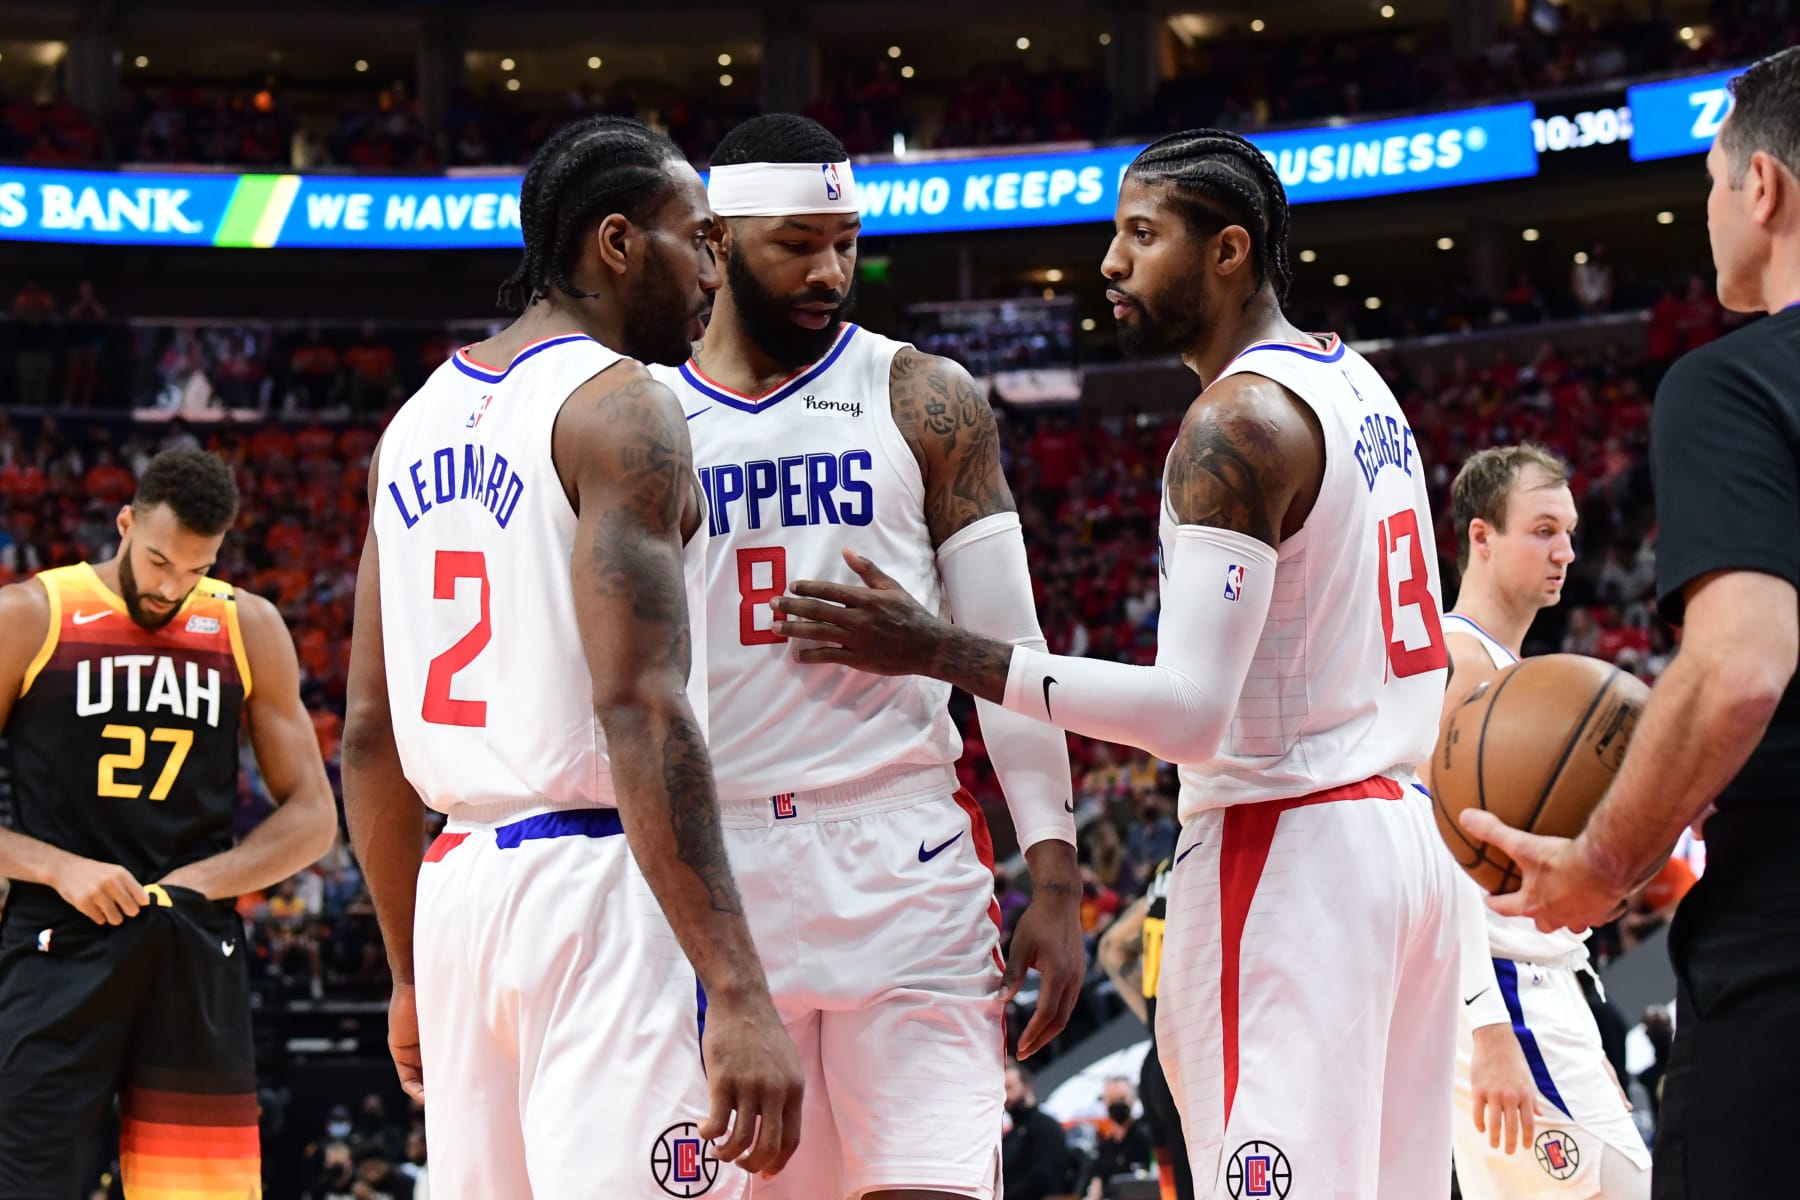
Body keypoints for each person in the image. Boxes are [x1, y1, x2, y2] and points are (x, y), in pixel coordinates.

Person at [775, 127, 1460, 1196]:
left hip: (1292, 849)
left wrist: (937, 648)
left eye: (1142, 235)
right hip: (1404, 845)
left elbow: (1189, 716)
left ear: (1228, 251)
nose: (1111, 264)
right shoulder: (1357, 385)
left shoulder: (1236, 419)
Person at [341, 115, 802, 1199]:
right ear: (615, 243)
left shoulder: (410, 424)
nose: (714, 272)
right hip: (601, 888)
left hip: (457, 897)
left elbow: (368, 732)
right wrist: (735, 985)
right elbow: (639, 707)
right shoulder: (621, 407)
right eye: (700, 240)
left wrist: (407, 971)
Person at [649, 113, 1083, 1200]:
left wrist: (1058, 874)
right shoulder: (642, 422)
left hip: (906, 854)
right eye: (798, 242)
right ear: (714, 242)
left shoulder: (924, 397)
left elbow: (1010, 651)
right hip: (720, 871)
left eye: (845, 240)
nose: (832, 270)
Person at [1462, 46, 1800, 1200]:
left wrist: (1607, 859)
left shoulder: (1733, 381)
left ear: (1763, 188)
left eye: (1708, 182)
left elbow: (1744, 666)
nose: (1706, 213)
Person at [0, 446, 337, 1197]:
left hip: (189, 937)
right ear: (124, 523)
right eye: (156, 561)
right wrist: (57, 866)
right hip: (61, 933)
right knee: (28, 1181)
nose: (169, 587)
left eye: (196, 569)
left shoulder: (246, 625)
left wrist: (200, 883)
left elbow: (314, 818)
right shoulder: (30, 614)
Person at [1431, 445, 1650, 1198]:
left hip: (1540, 991)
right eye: (1544, 530)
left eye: (1571, 532)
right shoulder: (1461, 665)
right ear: (1480, 537)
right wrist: (1492, 1031)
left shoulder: (1507, 670)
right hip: (1504, 993)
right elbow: (1445, 862)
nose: (1566, 551)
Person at [1097, 858, 1193, 1200]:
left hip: (1157, 1060)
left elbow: (1112, 948)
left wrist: (1153, 1020)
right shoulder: (1204, 854)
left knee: (1174, 1189)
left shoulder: (1164, 869)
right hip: (1193, 1058)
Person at [1001, 1062, 1070, 1200]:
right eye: (1002, 1090)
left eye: (1009, 1088)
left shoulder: (1046, 1127)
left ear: (1027, 1087)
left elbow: (1044, 1177)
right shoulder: (1010, 1136)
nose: (1006, 1096)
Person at [1082, 1077, 1153, 1200]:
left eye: (1121, 1099)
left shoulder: (1145, 1138)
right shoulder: (1103, 1147)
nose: (1117, 1104)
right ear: (1104, 1102)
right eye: (1111, 1099)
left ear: (1133, 1099)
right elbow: (1094, 1184)